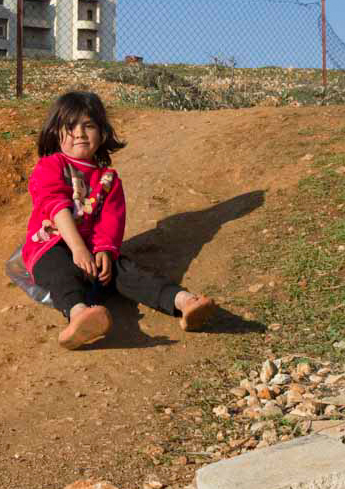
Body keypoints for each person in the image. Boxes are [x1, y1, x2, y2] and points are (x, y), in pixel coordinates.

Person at [22, 91, 216, 350]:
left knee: (127, 271)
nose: (79, 133)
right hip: (53, 244)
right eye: (70, 127)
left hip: (92, 253)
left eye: (88, 125)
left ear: (102, 133)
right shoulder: (51, 165)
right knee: (59, 270)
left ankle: (183, 301)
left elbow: (111, 220)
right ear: (55, 134)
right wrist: (78, 248)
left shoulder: (108, 179)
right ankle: (79, 315)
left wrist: (104, 249)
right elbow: (54, 205)